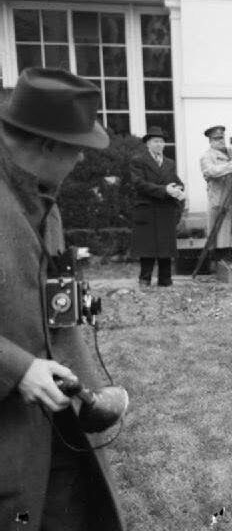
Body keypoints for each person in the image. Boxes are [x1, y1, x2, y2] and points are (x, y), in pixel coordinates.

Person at [0, 67, 124, 530]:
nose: (79, 162)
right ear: (48, 144)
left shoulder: (42, 195)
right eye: (77, 149)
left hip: (56, 426)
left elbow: (55, 307)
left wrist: (92, 396)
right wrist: (16, 368)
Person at [130, 125, 185, 286]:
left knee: (165, 247)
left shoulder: (169, 163)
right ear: (147, 143)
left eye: (161, 142)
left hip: (165, 209)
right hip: (147, 208)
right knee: (147, 247)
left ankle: (165, 279)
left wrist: (179, 189)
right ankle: (145, 278)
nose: (159, 145)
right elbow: (139, 184)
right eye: (155, 141)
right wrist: (164, 190)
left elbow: (176, 181)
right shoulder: (138, 161)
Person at [200, 125, 232, 259]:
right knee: (219, 232)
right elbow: (212, 171)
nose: (221, 141)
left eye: (222, 138)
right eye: (217, 139)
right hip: (219, 198)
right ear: (210, 140)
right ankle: (218, 260)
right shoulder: (207, 156)